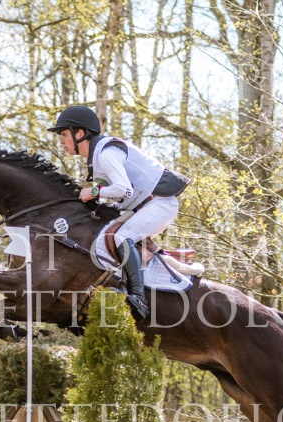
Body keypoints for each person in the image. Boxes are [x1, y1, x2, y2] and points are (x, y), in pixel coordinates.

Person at [47, 105, 190, 321]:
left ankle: (139, 299)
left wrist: (93, 191)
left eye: (64, 134)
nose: (61, 141)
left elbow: (124, 189)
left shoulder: (105, 154)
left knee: (122, 236)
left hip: (159, 204)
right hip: (144, 205)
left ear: (80, 133)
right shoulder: (99, 155)